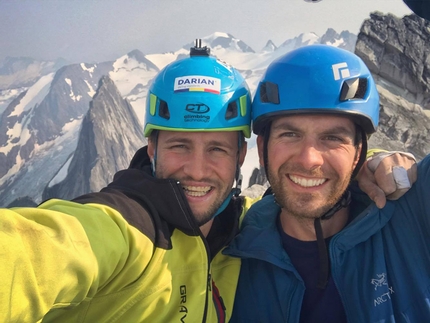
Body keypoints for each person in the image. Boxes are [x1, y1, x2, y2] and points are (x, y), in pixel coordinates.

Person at [0, 42, 417, 323]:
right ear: (152, 149)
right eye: (180, 145)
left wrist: (370, 171)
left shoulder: (246, 229)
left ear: (241, 155)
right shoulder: (125, 229)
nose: (197, 171)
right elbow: (36, 252)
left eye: (216, 149)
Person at [225, 44, 429, 322]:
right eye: (290, 134)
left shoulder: (412, 212)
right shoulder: (230, 248)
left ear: (359, 153)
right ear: (262, 149)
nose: (310, 160)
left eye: (333, 138)